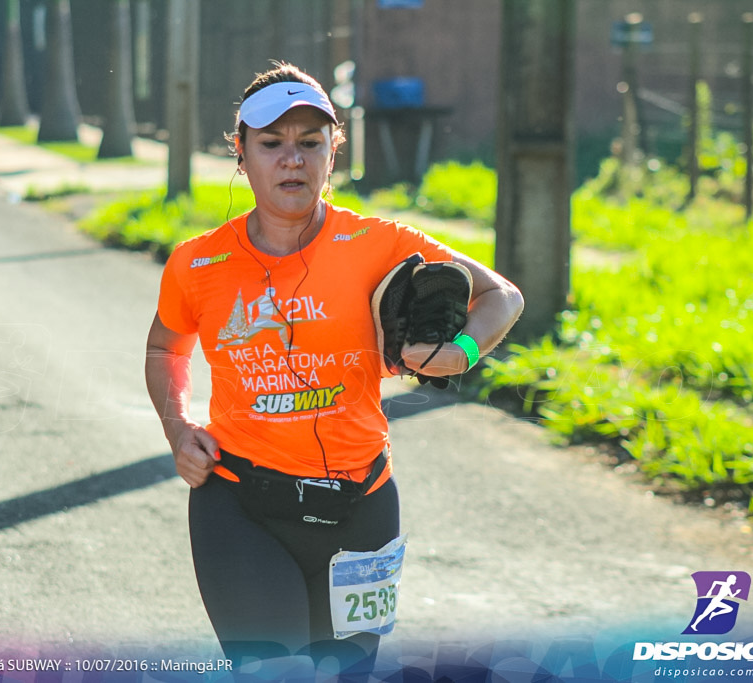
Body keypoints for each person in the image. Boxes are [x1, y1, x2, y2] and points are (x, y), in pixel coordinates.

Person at [145, 62, 523, 679]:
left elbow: (502, 296)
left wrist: (466, 349)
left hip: (363, 510)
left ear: (333, 151)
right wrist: (178, 429)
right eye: (272, 144)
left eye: (310, 143)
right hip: (240, 506)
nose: (291, 160)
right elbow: (166, 350)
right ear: (240, 153)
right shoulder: (199, 262)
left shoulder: (381, 243)